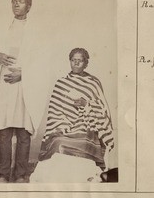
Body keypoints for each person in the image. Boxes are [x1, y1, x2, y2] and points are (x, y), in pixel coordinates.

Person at [0, 0, 52, 183]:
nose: (17, 4)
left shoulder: (38, 31)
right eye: (14, 1)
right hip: (4, 83)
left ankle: (21, 174)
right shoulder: (2, 27)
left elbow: (44, 61)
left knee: (23, 132)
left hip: (25, 86)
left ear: (29, 6)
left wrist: (24, 74)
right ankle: (3, 173)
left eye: (21, 2)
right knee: (4, 131)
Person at [30, 48, 114, 183]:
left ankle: (80, 179)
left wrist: (86, 104)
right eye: (73, 60)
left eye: (80, 61)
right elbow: (55, 111)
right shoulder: (61, 83)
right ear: (69, 62)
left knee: (83, 142)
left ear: (86, 63)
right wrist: (62, 126)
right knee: (59, 142)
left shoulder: (93, 83)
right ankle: (58, 181)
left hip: (87, 124)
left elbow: (103, 109)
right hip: (63, 125)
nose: (76, 63)